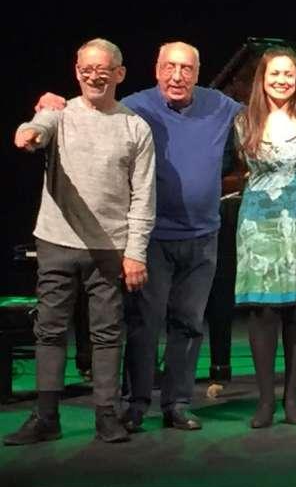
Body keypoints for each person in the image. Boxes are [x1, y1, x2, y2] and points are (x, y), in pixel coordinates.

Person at [32, 41, 245, 431]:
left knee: (188, 323)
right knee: (144, 324)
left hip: (203, 236)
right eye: (169, 67)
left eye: (186, 68)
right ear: (156, 69)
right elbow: (95, 104)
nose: (177, 76)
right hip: (152, 237)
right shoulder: (136, 107)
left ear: (198, 73)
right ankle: (136, 403)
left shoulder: (219, 105)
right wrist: (51, 103)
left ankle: (178, 403)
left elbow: (261, 115)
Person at [4, 38, 155, 446]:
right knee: (50, 330)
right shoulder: (59, 112)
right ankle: (46, 416)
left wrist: (135, 252)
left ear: (119, 74)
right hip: (57, 241)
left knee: (107, 333)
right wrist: (27, 132)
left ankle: (106, 414)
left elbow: (144, 196)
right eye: (86, 69)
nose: (94, 76)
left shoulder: (135, 127)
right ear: (76, 72)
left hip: (109, 248)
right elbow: (36, 128)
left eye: (102, 69)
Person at [234, 46, 296, 429]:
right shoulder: (243, 120)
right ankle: (265, 400)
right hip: (260, 224)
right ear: (262, 78)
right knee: (264, 312)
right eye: (275, 73)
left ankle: (292, 398)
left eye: (289, 74)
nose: (282, 80)